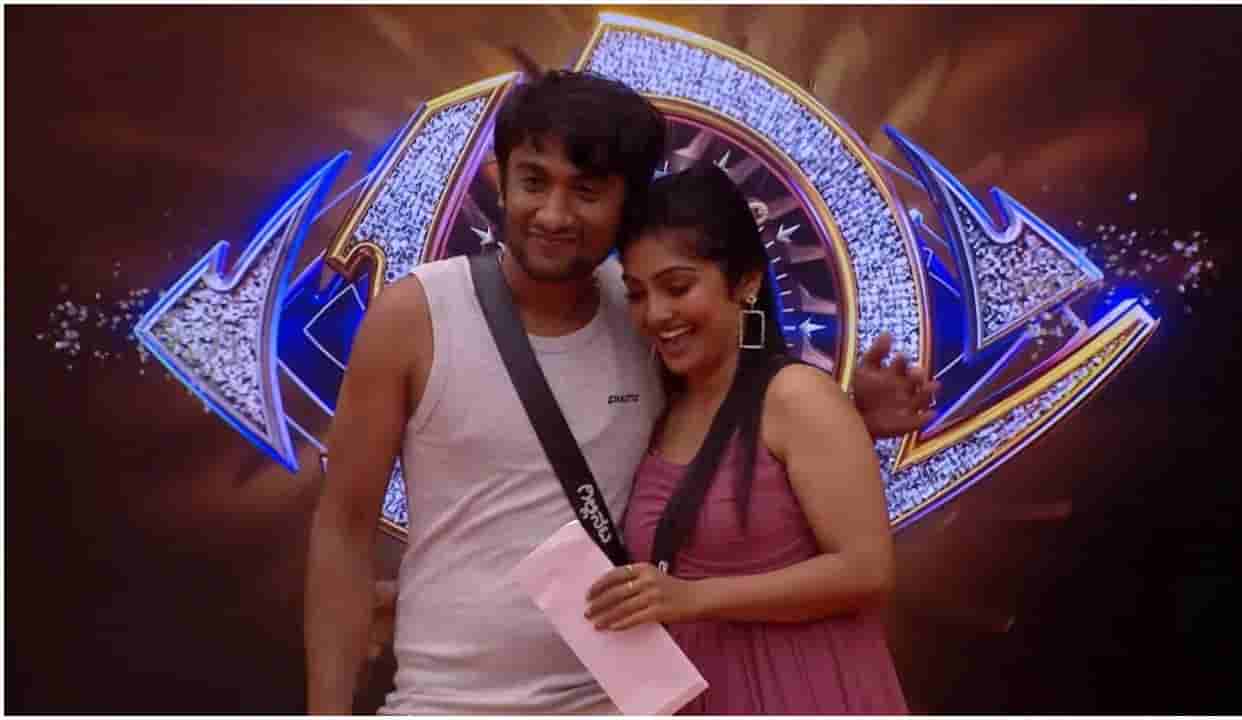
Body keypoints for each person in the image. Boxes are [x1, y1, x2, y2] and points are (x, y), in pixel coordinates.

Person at [305, 70, 935, 715]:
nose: (553, 214)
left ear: (625, 202)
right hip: (445, 702)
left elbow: (733, 428)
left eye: (586, 190)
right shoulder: (414, 315)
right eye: (533, 181)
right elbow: (343, 530)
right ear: (501, 179)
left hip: (625, 702)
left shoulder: (643, 316)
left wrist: (846, 417)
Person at [585, 164, 908, 714]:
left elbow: (867, 570)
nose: (656, 314)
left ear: (746, 282)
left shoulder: (795, 395)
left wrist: (694, 598)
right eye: (636, 294)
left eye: (678, 287)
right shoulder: (665, 410)